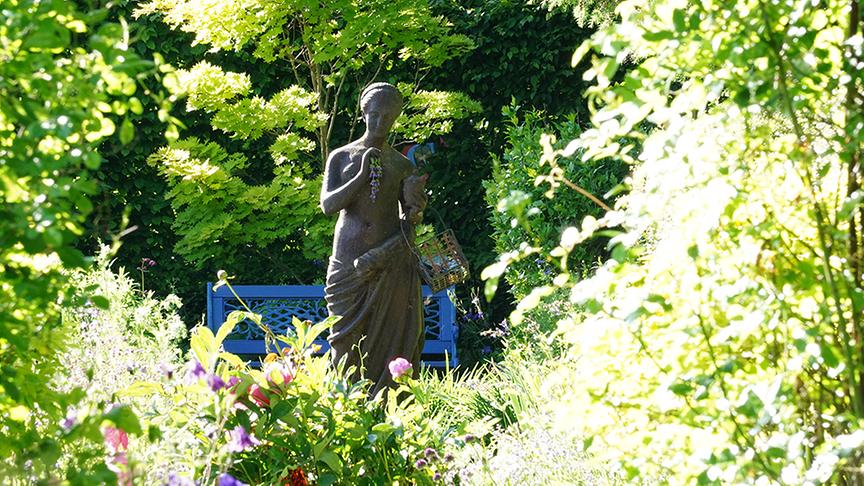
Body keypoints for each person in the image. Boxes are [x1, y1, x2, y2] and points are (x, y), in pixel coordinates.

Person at [319, 82, 427, 396]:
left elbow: (409, 220)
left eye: (388, 117)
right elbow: (328, 205)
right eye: (375, 115)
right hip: (348, 262)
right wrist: (360, 175)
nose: (380, 123)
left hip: (389, 263)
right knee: (344, 340)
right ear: (365, 112)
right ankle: (345, 404)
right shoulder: (342, 157)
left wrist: (416, 209)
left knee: (393, 338)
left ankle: (387, 404)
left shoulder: (401, 164)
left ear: (396, 118)